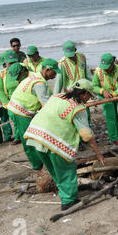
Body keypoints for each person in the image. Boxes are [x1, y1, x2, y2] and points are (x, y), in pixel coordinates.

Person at [24, 79, 106, 210]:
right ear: (84, 94)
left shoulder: (57, 96)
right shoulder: (78, 109)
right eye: (89, 95)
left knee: (55, 170)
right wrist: (99, 154)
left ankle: (64, 192)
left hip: (36, 136)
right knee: (67, 171)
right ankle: (68, 201)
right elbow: (86, 135)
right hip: (54, 141)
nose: (89, 99)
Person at [7, 59, 60, 170]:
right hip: (20, 112)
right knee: (30, 140)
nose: (55, 74)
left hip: (19, 108)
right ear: (47, 70)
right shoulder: (39, 83)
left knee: (34, 136)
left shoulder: (36, 76)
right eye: (54, 71)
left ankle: (40, 160)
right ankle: (37, 165)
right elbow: (46, 105)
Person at [54, 40, 93, 127]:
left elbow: (88, 74)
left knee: (86, 113)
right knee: (76, 116)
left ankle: (87, 132)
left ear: (75, 49)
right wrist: (54, 99)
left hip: (84, 91)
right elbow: (59, 83)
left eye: (72, 55)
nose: (70, 57)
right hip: (71, 93)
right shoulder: (62, 64)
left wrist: (95, 86)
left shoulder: (82, 57)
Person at [92, 53, 118, 145]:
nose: (105, 69)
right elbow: (94, 86)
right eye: (104, 67)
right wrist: (103, 91)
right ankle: (113, 138)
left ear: (112, 64)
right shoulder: (98, 71)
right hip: (105, 97)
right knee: (110, 117)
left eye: (107, 67)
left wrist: (114, 93)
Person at [0, 50, 22, 145]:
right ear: (6, 63)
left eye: (14, 62)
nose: (12, 65)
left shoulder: (23, 70)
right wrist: (5, 102)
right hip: (10, 102)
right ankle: (18, 137)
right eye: (10, 63)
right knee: (15, 119)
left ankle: (20, 137)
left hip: (24, 100)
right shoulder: (2, 74)